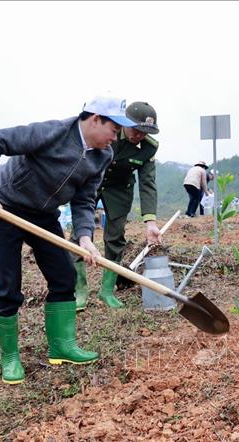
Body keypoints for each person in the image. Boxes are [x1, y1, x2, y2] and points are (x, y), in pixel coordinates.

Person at [0, 94, 138, 384]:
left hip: (44, 214)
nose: (116, 137)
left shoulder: (103, 155)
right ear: (95, 119)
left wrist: (85, 237)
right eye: (114, 129)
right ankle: (10, 358)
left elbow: (85, 199)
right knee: (9, 284)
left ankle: (62, 347)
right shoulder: (53, 133)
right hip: (5, 207)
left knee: (64, 276)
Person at [74, 102, 162, 310]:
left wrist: (150, 222)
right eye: (136, 129)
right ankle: (79, 291)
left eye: (144, 132)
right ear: (124, 123)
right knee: (80, 234)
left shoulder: (149, 147)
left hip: (120, 190)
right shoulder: (107, 131)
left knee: (115, 238)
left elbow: (148, 183)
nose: (139, 135)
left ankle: (107, 291)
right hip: (90, 183)